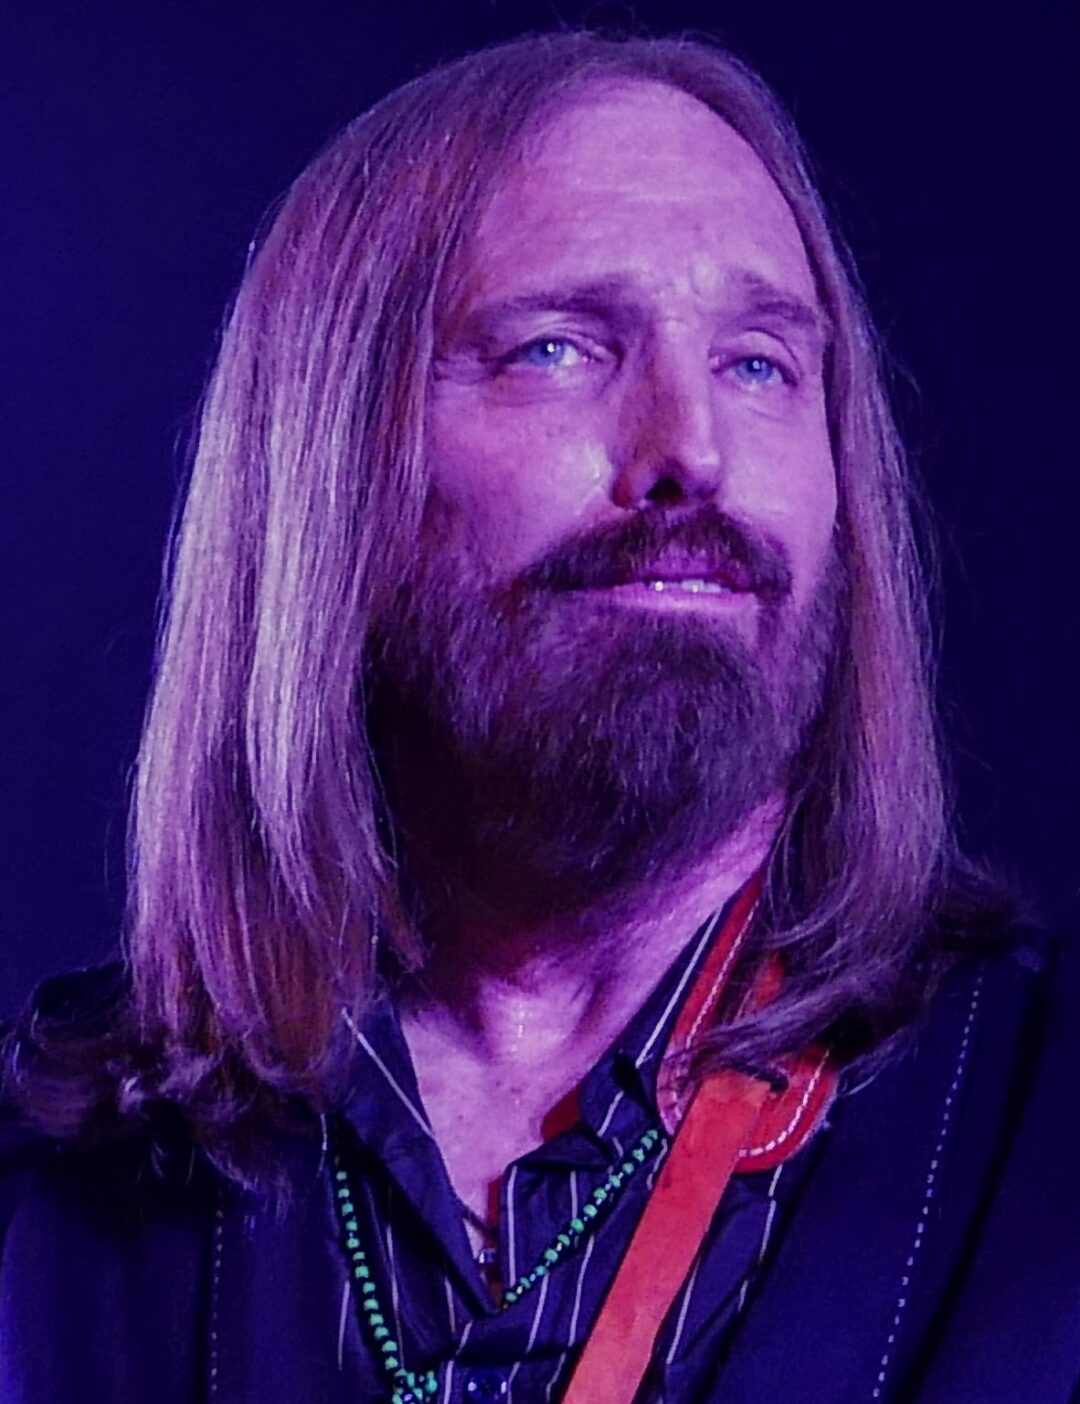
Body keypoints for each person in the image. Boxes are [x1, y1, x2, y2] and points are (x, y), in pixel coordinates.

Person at [2, 29, 1077, 1404]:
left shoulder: (1045, 1130)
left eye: (761, 364)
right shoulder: (48, 1198)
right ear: (329, 464)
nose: (689, 445)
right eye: (560, 349)